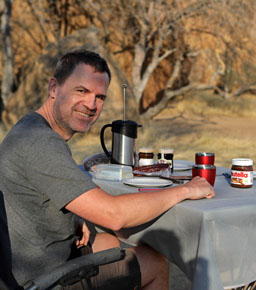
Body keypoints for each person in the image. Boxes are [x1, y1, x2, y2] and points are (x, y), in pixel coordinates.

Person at [0, 50, 215, 289]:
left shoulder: (30, 127)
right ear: (54, 87)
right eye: (81, 91)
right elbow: (114, 216)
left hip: (36, 262)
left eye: (100, 97)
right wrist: (184, 190)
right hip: (39, 280)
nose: (91, 104)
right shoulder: (41, 143)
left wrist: (73, 215)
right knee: (154, 262)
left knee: (108, 244)